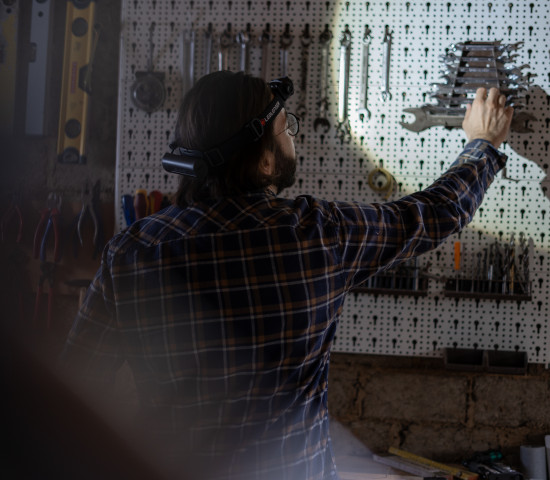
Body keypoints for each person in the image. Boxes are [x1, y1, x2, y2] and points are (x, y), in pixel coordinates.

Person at [59, 71, 513, 480]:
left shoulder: (132, 254)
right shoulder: (316, 235)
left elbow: (72, 397)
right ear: (265, 162)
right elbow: (436, 213)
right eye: (286, 130)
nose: (293, 137)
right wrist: (482, 142)